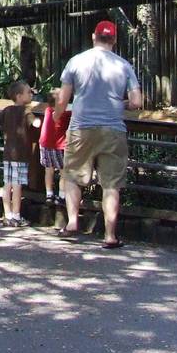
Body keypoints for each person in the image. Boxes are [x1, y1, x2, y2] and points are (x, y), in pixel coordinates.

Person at [56, 19, 142, 248]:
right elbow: (136, 102)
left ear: (93, 37)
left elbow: (63, 99)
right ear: (114, 39)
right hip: (113, 129)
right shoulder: (124, 66)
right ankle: (110, 236)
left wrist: (56, 117)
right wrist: (118, 103)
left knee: (73, 175)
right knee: (111, 184)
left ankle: (73, 223)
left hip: (81, 127)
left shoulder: (76, 61)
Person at [0, 80, 37, 228]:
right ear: (19, 96)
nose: (30, 94)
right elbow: (35, 123)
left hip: (8, 154)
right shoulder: (26, 111)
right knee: (18, 185)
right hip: (20, 155)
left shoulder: (7, 110)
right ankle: (16, 215)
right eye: (28, 92)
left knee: (7, 185)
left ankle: (7, 215)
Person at [38, 90, 70, 210]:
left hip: (45, 145)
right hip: (59, 146)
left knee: (48, 170)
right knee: (64, 171)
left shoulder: (47, 110)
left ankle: (49, 194)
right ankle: (62, 195)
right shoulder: (65, 114)